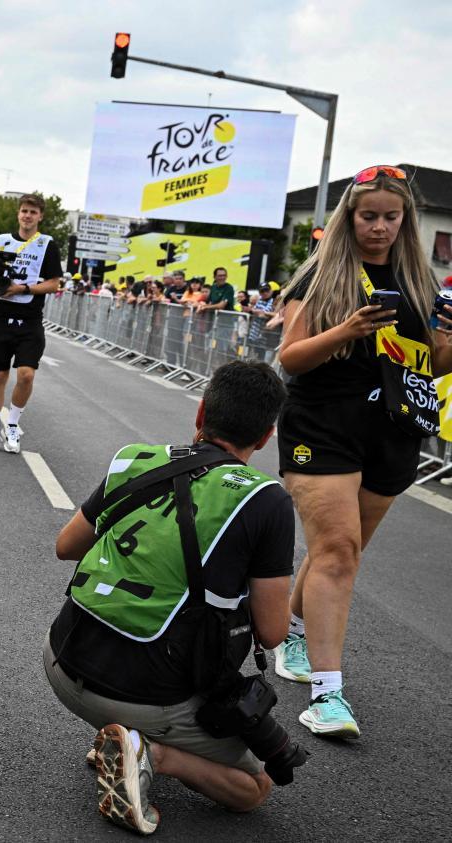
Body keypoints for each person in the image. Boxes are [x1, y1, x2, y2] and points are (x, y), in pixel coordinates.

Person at [47, 361, 295, 833]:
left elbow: (65, 547)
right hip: (142, 694)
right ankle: (151, 752)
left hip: (61, 662)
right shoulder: (267, 500)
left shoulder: (136, 458)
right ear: (265, 437)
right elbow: (272, 630)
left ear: (200, 411)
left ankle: (117, 736)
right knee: (255, 788)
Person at [272, 165, 452, 737]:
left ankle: (293, 635)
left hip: (393, 431)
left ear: (406, 221)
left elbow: (434, 364)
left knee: (337, 553)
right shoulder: (321, 277)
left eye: (390, 217)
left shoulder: (422, 283)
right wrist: (347, 330)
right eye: (368, 215)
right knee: (340, 549)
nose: (378, 227)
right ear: (350, 217)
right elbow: (291, 357)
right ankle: (327, 696)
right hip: (321, 426)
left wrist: (449, 340)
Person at [0, 193, 62, 454]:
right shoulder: (2, 241)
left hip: (30, 319)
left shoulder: (47, 244)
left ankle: (12, 424)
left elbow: (54, 283)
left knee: (26, 375)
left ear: (40, 217)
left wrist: (23, 288)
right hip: (0, 316)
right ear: (18, 214)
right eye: (24, 211)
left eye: (33, 212)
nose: (27, 216)